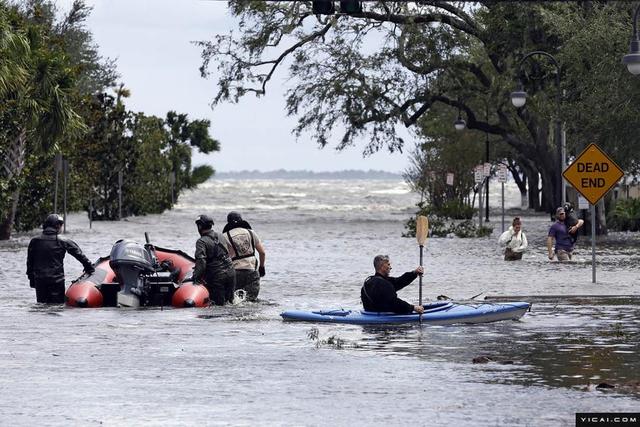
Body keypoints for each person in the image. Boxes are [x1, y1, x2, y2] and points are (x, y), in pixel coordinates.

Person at [26, 214, 95, 303]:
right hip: (56, 281)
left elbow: (29, 262)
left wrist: (31, 278)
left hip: (39, 280)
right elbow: (79, 255)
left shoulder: (34, 241)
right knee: (57, 308)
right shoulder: (63, 240)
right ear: (58, 225)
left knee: (41, 306)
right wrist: (90, 268)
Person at [222, 211, 266, 302]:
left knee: (235, 301)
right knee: (251, 301)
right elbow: (262, 253)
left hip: (235, 272)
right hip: (252, 271)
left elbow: (223, 257)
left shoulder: (225, 236)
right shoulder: (251, 232)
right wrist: (262, 267)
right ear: (241, 220)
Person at [192, 214, 236, 305]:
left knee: (218, 305)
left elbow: (201, 261)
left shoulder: (201, 241)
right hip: (231, 272)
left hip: (217, 276)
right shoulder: (221, 235)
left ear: (200, 226)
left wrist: (196, 277)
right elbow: (231, 250)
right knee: (231, 303)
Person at [361, 255, 425, 314]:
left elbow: (399, 282)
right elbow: (395, 303)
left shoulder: (368, 282)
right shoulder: (384, 284)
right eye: (388, 265)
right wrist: (413, 308)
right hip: (382, 318)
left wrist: (414, 273)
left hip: (369, 313)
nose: (390, 267)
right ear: (382, 267)